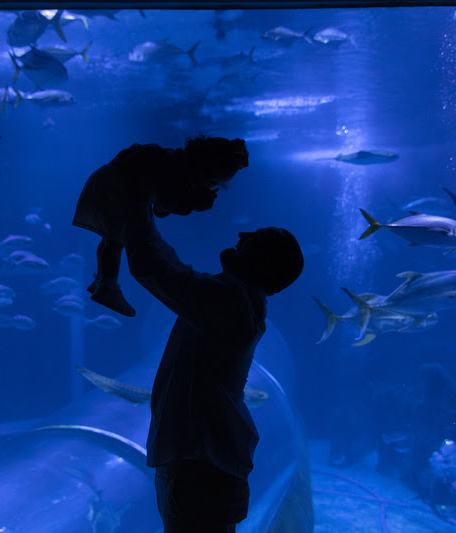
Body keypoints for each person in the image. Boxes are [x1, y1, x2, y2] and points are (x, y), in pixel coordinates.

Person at [124, 199, 305, 532]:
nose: (242, 234)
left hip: (198, 464)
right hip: (205, 462)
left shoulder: (230, 301)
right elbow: (175, 270)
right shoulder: (238, 300)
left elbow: (154, 268)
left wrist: (134, 206)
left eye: (256, 238)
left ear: (265, 264)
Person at [72, 136, 249, 318]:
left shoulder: (170, 159)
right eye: (211, 180)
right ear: (206, 165)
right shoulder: (178, 171)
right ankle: (108, 287)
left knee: (110, 240)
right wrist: (196, 202)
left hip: (108, 185)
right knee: (115, 243)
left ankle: (101, 279)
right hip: (120, 194)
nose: (208, 185)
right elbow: (168, 202)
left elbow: (160, 205)